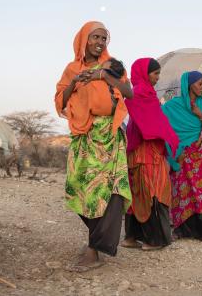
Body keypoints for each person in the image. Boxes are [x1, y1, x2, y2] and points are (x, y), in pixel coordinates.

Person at [54, 21, 133, 272]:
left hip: (109, 137)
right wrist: (75, 81)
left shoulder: (112, 66)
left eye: (104, 38)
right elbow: (60, 100)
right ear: (83, 40)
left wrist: (103, 75)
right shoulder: (71, 69)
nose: (100, 42)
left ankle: (94, 250)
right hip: (83, 138)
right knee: (78, 188)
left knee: (108, 191)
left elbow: (128, 93)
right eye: (95, 37)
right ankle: (96, 241)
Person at [122, 58, 179, 250]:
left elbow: (151, 121)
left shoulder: (141, 93)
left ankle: (131, 237)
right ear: (145, 74)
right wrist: (167, 135)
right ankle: (155, 239)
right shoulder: (141, 93)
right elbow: (151, 124)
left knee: (138, 192)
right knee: (155, 192)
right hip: (148, 153)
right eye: (155, 74)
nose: (157, 78)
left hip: (139, 151)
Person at [161, 71, 202, 242]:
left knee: (200, 191)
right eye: (200, 84)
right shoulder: (173, 105)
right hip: (180, 155)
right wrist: (175, 148)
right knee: (181, 191)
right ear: (189, 84)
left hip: (197, 155)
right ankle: (181, 230)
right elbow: (163, 126)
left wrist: (200, 115)